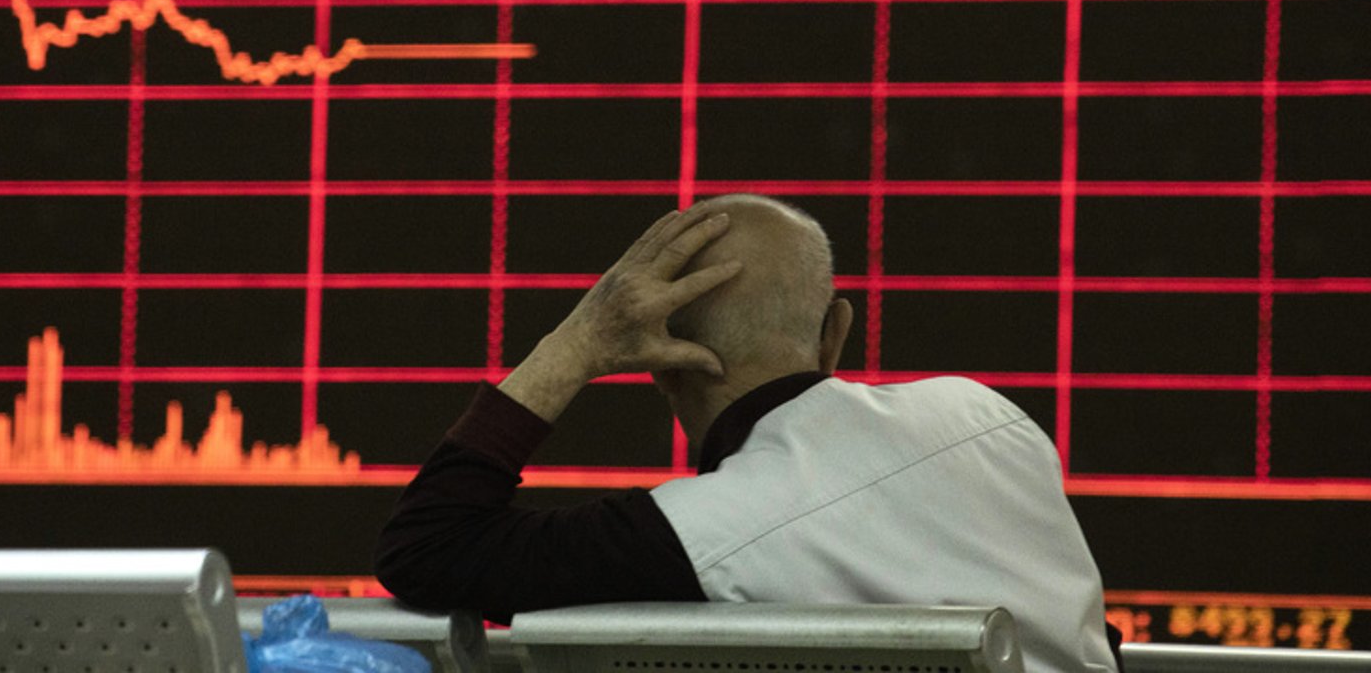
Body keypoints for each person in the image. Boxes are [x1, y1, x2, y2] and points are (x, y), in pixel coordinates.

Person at [374, 194, 1118, 673]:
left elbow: (429, 546)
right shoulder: (991, 419)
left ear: (659, 367)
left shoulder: (698, 537)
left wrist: (575, 344)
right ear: (837, 334)